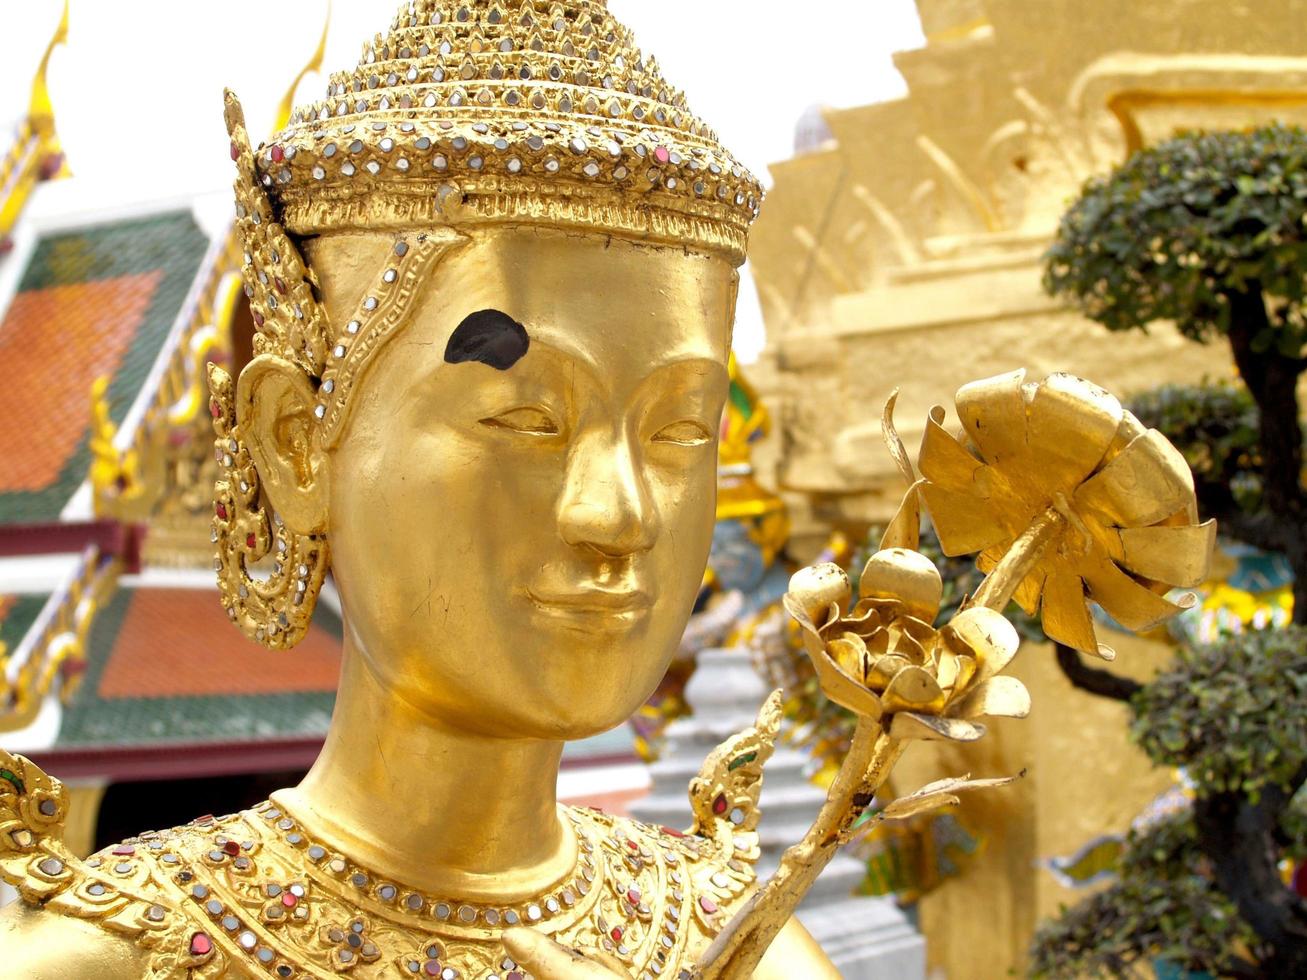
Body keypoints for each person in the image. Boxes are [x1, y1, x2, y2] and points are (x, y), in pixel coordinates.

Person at [0, 2, 839, 976]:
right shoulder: (110, 959)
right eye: (526, 420)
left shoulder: (738, 944)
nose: (618, 513)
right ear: (296, 443)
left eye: (679, 430)